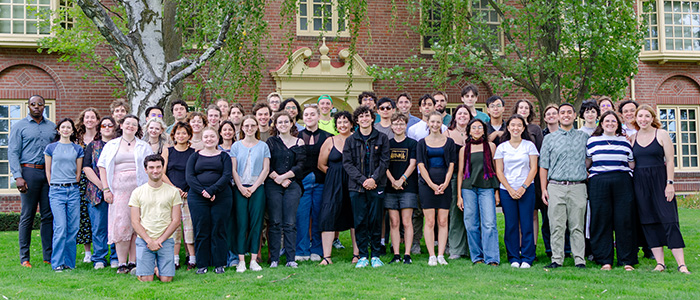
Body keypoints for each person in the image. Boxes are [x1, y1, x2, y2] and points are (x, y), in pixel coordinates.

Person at [631, 105, 690, 274]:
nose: (643, 119)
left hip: (660, 181)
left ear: (652, 118)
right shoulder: (632, 138)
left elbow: (670, 161)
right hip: (640, 183)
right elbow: (632, 163)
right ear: (636, 119)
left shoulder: (661, 134)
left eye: (646, 116)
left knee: (669, 220)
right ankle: (660, 263)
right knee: (649, 221)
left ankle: (681, 264)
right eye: (640, 116)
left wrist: (670, 183)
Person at [98, 115, 153, 274]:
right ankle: (121, 263)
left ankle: (133, 262)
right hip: (118, 190)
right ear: (121, 125)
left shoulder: (144, 146)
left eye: (134, 124)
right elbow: (102, 167)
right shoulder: (111, 145)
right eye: (127, 123)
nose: (130, 126)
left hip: (139, 189)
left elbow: (150, 167)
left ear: (137, 128)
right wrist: (106, 189)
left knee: (136, 224)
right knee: (121, 225)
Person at [585, 111, 638, 271]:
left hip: (622, 181)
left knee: (624, 220)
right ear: (601, 123)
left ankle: (626, 260)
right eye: (607, 121)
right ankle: (604, 260)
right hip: (599, 182)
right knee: (601, 220)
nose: (610, 123)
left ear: (618, 124)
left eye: (613, 121)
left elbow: (631, 164)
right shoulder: (592, 141)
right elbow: (587, 163)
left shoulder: (625, 141)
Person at [540, 103, 590, 269]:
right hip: (556, 186)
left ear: (575, 115)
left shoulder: (583, 137)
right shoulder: (549, 139)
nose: (566, 115)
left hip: (578, 186)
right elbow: (543, 166)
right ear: (559, 116)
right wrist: (543, 189)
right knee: (556, 225)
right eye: (563, 113)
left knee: (577, 225)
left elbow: (590, 159)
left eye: (569, 112)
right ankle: (557, 259)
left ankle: (579, 259)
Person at [9, 95, 56, 268]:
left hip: (48, 174)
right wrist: (17, 176)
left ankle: (48, 256)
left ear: (44, 107)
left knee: (48, 216)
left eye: (40, 104)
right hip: (28, 173)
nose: (36, 107)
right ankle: (24, 258)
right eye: (33, 104)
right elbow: (13, 152)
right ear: (28, 106)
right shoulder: (20, 126)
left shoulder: (52, 127)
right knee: (27, 216)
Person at [343, 106, 390, 268]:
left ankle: (376, 255)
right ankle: (363, 255)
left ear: (372, 119)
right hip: (356, 188)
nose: (364, 119)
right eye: (361, 117)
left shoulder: (382, 138)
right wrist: (363, 180)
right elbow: (347, 164)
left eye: (367, 116)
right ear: (357, 121)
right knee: (360, 221)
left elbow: (385, 162)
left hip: (377, 185)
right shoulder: (350, 140)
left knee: (376, 220)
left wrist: (373, 179)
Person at [186, 127, 233, 274]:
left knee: (219, 228)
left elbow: (226, 175)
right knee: (201, 229)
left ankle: (219, 263)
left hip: (221, 196)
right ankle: (202, 264)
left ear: (217, 138)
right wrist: (203, 192)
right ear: (202, 139)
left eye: (212, 136)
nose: (209, 139)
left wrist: (212, 190)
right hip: (197, 197)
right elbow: (189, 177)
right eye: (206, 137)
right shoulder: (195, 156)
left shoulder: (224, 156)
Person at [495, 115, 539, 269]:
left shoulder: (529, 146)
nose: (515, 128)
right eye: (512, 125)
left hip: (526, 189)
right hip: (507, 191)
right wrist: (510, 189)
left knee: (527, 223)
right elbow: (499, 171)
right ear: (508, 127)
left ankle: (527, 257)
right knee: (511, 225)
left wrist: (523, 188)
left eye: (519, 125)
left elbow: (534, 168)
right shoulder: (502, 147)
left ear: (523, 128)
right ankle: (513, 256)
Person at [129, 154, 182, 282]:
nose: (155, 171)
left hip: (166, 240)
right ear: (146, 170)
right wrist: (149, 240)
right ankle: (146, 270)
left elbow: (176, 221)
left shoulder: (173, 191)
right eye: (151, 167)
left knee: (166, 279)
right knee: (147, 280)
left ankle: (156, 269)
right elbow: (135, 222)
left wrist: (159, 240)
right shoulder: (137, 192)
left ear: (163, 168)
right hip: (144, 240)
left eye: (158, 167)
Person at [406, 94, 446, 255]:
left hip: (439, 174)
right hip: (418, 175)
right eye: (424, 105)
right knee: (418, 211)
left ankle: (439, 241)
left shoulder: (443, 129)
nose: (427, 107)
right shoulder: (413, 130)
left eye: (430, 104)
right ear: (420, 108)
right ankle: (416, 242)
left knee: (439, 210)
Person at [317, 111, 359, 265]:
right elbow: (321, 164)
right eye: (339, 122)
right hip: (333, 183)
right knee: (328, 216)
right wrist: (334, 174)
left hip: (354, 182)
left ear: (351, 124)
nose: (342, 125)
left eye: (345, 122)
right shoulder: (330, 141)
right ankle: (326, 257)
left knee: (355, 216)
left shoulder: (357, 140)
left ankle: (357, 254)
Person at [265, 112, 306, 268]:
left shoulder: (299, 142)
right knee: (275, 222)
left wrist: (285, 177)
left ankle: (291, 259)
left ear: (291, 123)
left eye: (286, 122)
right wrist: (278, 178)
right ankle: (274, 258)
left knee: (290, 222)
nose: (283, 124)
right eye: (279, 122)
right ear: (275, 125)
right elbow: (267, 165)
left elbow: (301, 165)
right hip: (273, 184)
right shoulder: (271, 142)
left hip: (293, 184)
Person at [457, 118, 499, 266]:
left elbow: (495, 170)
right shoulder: (464, 149)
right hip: (468, 189)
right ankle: (477, 257)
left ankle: (492, 257)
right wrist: (459, 196)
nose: (476, 130)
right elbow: (461, 172)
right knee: (471, 224)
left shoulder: (491, 146)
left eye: (480, 127)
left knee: (489, 223)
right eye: (473, 127)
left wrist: (496, 192)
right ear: (469, 130)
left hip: (487, 188)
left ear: (484, 130)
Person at [416, 111, 456, 266]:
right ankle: (431, 255)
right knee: (430, 221)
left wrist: (445, 183)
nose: (434, 125)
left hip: (444, 183)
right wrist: (432, 185)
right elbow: (421, 165)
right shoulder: (421, 142)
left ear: (442, 123)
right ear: (428, 123)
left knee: (443, 220)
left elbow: (452, 164)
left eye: (438, 122)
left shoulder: (449, 142)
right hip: (427, 185)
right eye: (432, 122)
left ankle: (441, 255)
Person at [231, 116, 270, 272]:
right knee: (241, 224)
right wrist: (240, 187)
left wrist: (254, 187)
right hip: (239, 188)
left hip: (257, 188)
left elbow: (265, 169)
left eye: (252, 125)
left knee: (256, 224)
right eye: (246, 125)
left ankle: (253, 259)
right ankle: (241, 260)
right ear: (242, 128)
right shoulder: (236, 146)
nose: (249, 128)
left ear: (257, 127)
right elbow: (233, 169)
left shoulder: (263, 146)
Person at [45, 118, 84, 272]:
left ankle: (70, 263)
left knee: (73, 228)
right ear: (58, 130)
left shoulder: (77, 149)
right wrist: (53, 184)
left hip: (73, 191)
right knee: (60, 227)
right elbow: (48, 171)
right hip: (56, 191)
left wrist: (72, 183)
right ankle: (57, 263)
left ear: (72, 130)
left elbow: (78, 172)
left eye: (69, 127)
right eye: (63, 127)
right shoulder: (51, 148)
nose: (66, 130)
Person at [296, 105, 332, 262]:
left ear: (318, 116)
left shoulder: (327, 137)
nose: (309, 117)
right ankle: (302, 250)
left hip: (321, 182)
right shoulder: (296, 136)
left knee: (318, 215)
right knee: (301, 216)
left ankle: (317, 249)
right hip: (301, 182)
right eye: (306, 115)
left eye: (312, 114)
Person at [83, 116, 117, 269]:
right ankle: (99, 258)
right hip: (96, 192)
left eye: (110, 125)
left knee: (116, 224)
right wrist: (103, 186)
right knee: (99, 226)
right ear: (100, 128)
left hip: (117, 191)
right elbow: (87, 168)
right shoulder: (92, 146)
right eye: (104, 125)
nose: (107, 128)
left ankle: (116, 256)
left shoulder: (119, 145)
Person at [161, 121, 196, 270]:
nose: (181, 136)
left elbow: (195, 173)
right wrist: (175, 189)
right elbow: (162, 173)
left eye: (184, 133)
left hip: (189, 194)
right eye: (178, 133)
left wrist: (188, 190)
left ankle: (192, 259)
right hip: (171, 193)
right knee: (174, 227)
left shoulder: (194, 152)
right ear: (174, 135)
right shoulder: (167, 150)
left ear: (189, 136)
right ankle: (175, 259)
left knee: (189, 227)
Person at [384, 113, 418, 264]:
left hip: (408, 187)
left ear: (406, 125)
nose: (398, 127)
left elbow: (413, 164)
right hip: (390, 188)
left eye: (401, 124)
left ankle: (407, 254)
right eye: (396, 124)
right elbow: (383, 165)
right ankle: (396, 254)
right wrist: (393, 180)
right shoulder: (387, 143)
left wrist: (401, 179)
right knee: (394, 221)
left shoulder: (412, 143)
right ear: (391, 126)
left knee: (406, 221)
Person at [513, 99, 545, 249]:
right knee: (518, 215)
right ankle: (519, 245)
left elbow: (540, 153)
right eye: (521, 107)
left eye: (526, 108)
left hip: (533, 177)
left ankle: (531, 244)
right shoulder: (512, 127)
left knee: (532, 213)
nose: (524, 110)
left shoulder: (535, 129)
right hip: (514, 178)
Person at [444, 104, 472, 260]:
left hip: (473, 178)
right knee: (455, 213)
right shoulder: (447, 134)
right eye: (459, 113)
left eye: (465, 114)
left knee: (472, 214)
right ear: (454, 116)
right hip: (455, 178)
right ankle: (455, 248)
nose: (462, 116)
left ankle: (471, 248)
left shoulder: (476, 132)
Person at [75, 108, 100, 264]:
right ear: (83, 120)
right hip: (82, 180)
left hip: (99, 179)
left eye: (93, 117)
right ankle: (88, 252)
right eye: (87, 117)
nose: (90, 120)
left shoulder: (102, 138)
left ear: (97, 120)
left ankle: (101, 249)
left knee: (99, 216)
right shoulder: (77, 139)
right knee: (84, 215)